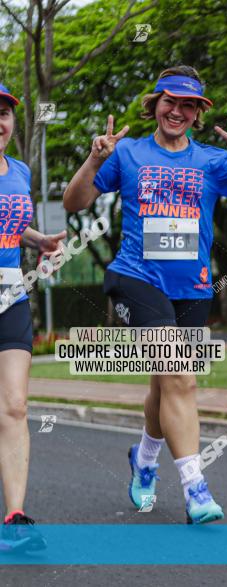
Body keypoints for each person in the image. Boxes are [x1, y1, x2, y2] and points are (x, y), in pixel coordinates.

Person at [63, 66, 227, 524]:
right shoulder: (126, 153)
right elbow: (73, 203)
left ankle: (144, 460)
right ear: (155, 104)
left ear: (199, 114)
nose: (176, 112)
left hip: (194, 288)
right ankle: (195, 489)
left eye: (188, 105)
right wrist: (94, 161)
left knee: (165, 384)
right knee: (181, 377)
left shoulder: (213, 162)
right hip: (135, 278)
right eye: (169, 102)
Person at [0, 83, 65, 550]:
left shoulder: (19, 170)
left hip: (10, 295)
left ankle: (15, 516)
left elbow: (12, 224)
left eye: (4, 114)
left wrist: (37, 240)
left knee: (15, 406)